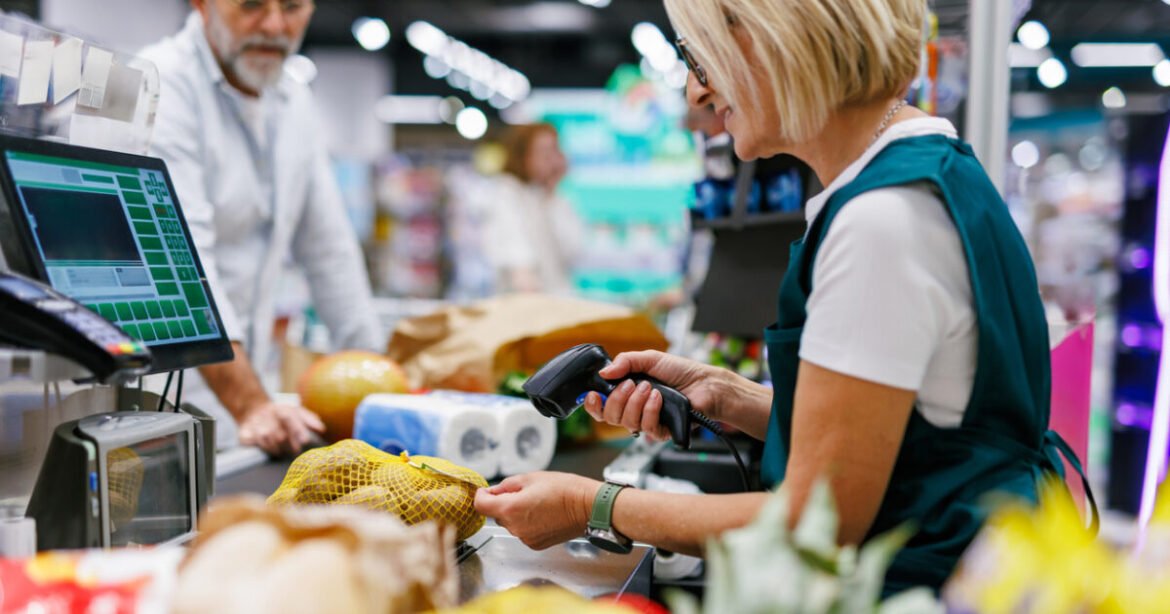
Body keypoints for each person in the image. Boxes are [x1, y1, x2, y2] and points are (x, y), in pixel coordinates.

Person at [475, 0, 1089, 595]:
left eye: (699, 57)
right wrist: (731, 397)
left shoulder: (879, 223)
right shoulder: (929, 172)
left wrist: (594, 505)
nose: (697, 93)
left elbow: (812, 524)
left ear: (769, 40)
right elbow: (912, 441)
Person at [141, 0, 383, 456]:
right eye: (252, 5)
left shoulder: (294, 101)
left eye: (292, 7)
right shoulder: (159, 84)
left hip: (249, 409)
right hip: (158, 407)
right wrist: (249, 403)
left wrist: (381, 391)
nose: (274, 26)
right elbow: (180, 260)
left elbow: (331, 254)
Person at [483, 123, 584, 295]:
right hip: (527, 303)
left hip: (556, 299)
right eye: (544, 152)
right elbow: (515, 251)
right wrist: (525, 279)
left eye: (555, 150)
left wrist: (552, 194)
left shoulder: (551, 197)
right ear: (523, 155)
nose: (551, 159)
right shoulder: (507, 192)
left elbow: (572, 251)